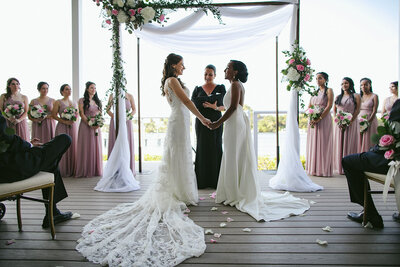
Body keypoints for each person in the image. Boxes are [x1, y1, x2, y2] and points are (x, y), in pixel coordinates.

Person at [76, 53, 211, 266]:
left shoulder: (174, 80)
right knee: (176, 155)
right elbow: (185, 101)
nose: (184, 67)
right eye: (182, 64)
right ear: (175, 65)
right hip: (179, 120)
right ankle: (177, 190)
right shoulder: (172, 80)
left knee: (181, 156)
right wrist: (202, 117)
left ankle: (182, 190)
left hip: (181, 120)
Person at [209, 60, 309, 221]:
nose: (225, 70)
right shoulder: (235, 84)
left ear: (235, 72)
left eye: (228, 67)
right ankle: (234, 189)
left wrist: (216, 124)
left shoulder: (235, 85)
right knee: (234, 154)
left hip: (234, 122)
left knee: (233, 154)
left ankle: (234, 191)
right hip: (235, 122)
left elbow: (233, 107)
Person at [0, 113, 73, 228]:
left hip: (8, 162)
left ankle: (53, 213)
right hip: (9, 166)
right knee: (64, 139)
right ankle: (52, 213)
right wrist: (28, 145)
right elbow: (4, 136)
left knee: (49, 159)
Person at [344, 98, 400, 228]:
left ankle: (370, 214)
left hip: (395, 160)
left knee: (349, 161)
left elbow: (394, 134)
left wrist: (374, 149)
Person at [191, 64, 226, 189]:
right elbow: (193, 106)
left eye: (210, 74)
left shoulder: (221, 88)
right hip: (201, 123)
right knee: (202, 147)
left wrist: (214, 107)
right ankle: (202, 181)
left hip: (217, 121)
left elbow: (225, 106)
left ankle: (217, 181)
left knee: (216, 147)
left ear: (215, 75)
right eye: (205, 74)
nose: (207, 76)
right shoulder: (197, 90)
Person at [305, 72, 334, 177]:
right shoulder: (314, 92)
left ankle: (323, 169)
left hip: (324, 119)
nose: (318, 80)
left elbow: (329, 105)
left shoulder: (329, 91)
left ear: (325, 80)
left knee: (323, 143)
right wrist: (311, 116)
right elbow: (309, 106)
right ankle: (314, 169)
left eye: (320, 78)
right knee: (314, 143)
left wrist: (320, 117)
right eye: (316, 78)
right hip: (313, 119)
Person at [332, 77, 360, 174]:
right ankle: (339, 167)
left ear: (350, 84)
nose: (344, 85)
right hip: (339, 123)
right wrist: (338, 121)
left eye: (346, 83)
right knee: (339, 143)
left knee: (349, 143)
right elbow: (335, 110)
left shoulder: (356, 96)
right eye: (342, 84)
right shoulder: (338, 97)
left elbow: (357, 110)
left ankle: (348, 166)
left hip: (351, 122)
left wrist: (350, 121)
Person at [75, 81, 103, 178]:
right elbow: (81, 114)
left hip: (96, 127)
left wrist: (98, 123)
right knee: (86, 146)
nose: (93, 90)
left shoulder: (97, 101)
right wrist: (90, 123)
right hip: (86, 126)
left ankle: (95, 169)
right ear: (87, 89)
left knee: (95, 146)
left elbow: (100, 114)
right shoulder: (82, 100)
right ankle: (85, 169)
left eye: (95, 88)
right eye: (91, 88)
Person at [106, 91, 136, 175]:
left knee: (126, 142)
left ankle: (128, 168)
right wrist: (116, 117)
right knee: (115, 142)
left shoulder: (130, 95)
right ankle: (114, 169)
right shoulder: (112, 95)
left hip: (127, 122)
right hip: (115, 122)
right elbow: (107, 109)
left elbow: (134, 110)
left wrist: (127, 117)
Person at [52, 84, 78, 177]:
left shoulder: (74, 103)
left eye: (70, 89)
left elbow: (77, 115)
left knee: (73, 146)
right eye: (67, 89)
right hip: (62, 126)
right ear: (62, 91)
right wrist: (64, 121)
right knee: (61, 147)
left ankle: (72, 169)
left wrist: (72, 120)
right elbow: (53, 115)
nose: (69, 91)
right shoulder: (58, 102)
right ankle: (62, 169)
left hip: (72, 126)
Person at [357, 78, 378, 153]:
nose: (363, 86)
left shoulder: (374, 96)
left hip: (370, 120)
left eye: (366, 84)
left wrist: (368, 122)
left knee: (368, 139)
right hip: (359, 120)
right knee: (359, 139)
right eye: (361, 85)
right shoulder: (359, 97)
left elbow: (374, 110)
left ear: (370, 85)